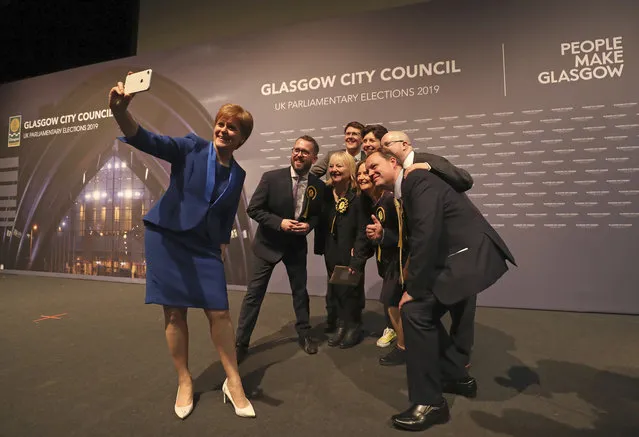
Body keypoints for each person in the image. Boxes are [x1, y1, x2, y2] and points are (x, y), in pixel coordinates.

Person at [108, 79, 255, 420]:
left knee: (219, 312)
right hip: (168, 239)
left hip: (204, 248)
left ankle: (233, 381)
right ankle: (184, 380)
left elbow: (226, 214)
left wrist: (220, 245)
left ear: (242, 138)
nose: (224, 130)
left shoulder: (238, 174)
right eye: (221, 123)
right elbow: (146, 140)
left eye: (232, 128)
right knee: (174, 312)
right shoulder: (191, 148)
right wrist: (120, 112)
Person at [365, 150, 515, 432]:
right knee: (420, 313)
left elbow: (426, 232)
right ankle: (456, 376)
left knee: (414, 310)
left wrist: (415, 288)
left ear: (394, 162)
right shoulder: (409, 187)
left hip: (468, 257)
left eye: (375, 165)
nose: (370, 172)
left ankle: (430, 403)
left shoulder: (416, 179)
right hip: (461, 257)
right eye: (366, 169)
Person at [382, 130, 475, 367]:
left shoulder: (428, 160)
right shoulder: (397, 179)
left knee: (462, 308)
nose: (383, 148)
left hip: (457, 247)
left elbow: (466, 180)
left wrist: (430, 168)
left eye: (387, 144)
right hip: (431, 248)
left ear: (405, 144)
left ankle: (460, 362)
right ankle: (446, 361)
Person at [235, 136, 325, 362]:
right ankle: (241, 342)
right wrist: (279, 223)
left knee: (300, 293)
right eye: (296, 150)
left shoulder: (318, 186)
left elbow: (317, 215)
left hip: (295, 246)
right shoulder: (271, 178)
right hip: (267, 245)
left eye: (305, 152)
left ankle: (304, 334)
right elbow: (253, 209)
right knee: (254, 295)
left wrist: (309, 225)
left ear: (314, 158)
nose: (299, 154)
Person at [314, 151, 364, 348]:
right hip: (330, 247)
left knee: (351, 287)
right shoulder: (325, 192)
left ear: (350, 169)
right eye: (332, 166)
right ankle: (340, 322)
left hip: (351, 249)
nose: (334, 170)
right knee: (335, 286)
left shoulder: (358, 195)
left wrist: (358, 253)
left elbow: (362, 228)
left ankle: (353, 326)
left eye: (339, 166)